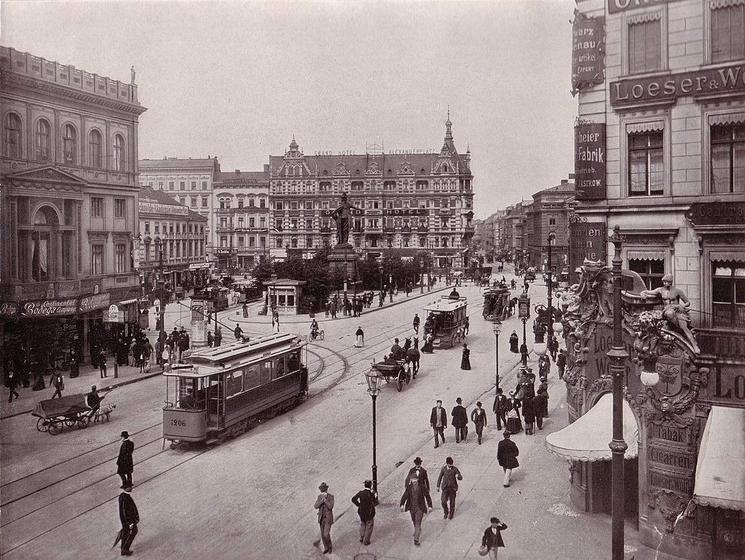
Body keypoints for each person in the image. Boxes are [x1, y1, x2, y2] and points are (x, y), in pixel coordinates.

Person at [399, 470, 432, 546]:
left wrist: (430, 506)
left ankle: (416, 539)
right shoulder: (409, 487)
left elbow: (427, 496)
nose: (413, 481)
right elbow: (405, 496)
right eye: (412, 479)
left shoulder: (422, 487)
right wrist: (402, 504)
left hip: (420, 508)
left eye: (415, 479)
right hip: (411, 508)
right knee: (414, 521)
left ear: (417, 479)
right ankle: (417, 530)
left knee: (418, 522)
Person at [351, 479, 378, 545]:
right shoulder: (371, 494)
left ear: (364, 485)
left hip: (361, 512)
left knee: (363, 524)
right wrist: (375, 496)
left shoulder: (361, 493)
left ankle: (361, 537)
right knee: (369, 526)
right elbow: (374, 503)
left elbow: (353, 499)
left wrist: (359, 505)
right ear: (370, 486)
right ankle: (366, 541)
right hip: (369, 513)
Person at [117, 484, 139, 556]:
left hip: (127, 521)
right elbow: (124, 511)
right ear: (126, 488)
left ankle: (123, 547)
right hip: (128, 521)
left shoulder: (124, 496)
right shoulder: (125, 498)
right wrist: (130, 522)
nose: (131, 488)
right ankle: (125, 549)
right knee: (133, 531)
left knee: (126, 532)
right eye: (130, 487)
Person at [314, 482, 334, 554]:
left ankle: (330, 546)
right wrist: (321, 501)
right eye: (321, 490)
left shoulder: (331, 497)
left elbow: (330, 506)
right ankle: (326, 548)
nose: (322, 491)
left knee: (326, 534)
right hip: (321, 518)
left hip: (328, 518)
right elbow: (315, 506)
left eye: (323, 489)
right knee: (323, 535)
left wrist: (325, 501)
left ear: (326, 489)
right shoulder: (319, 497)